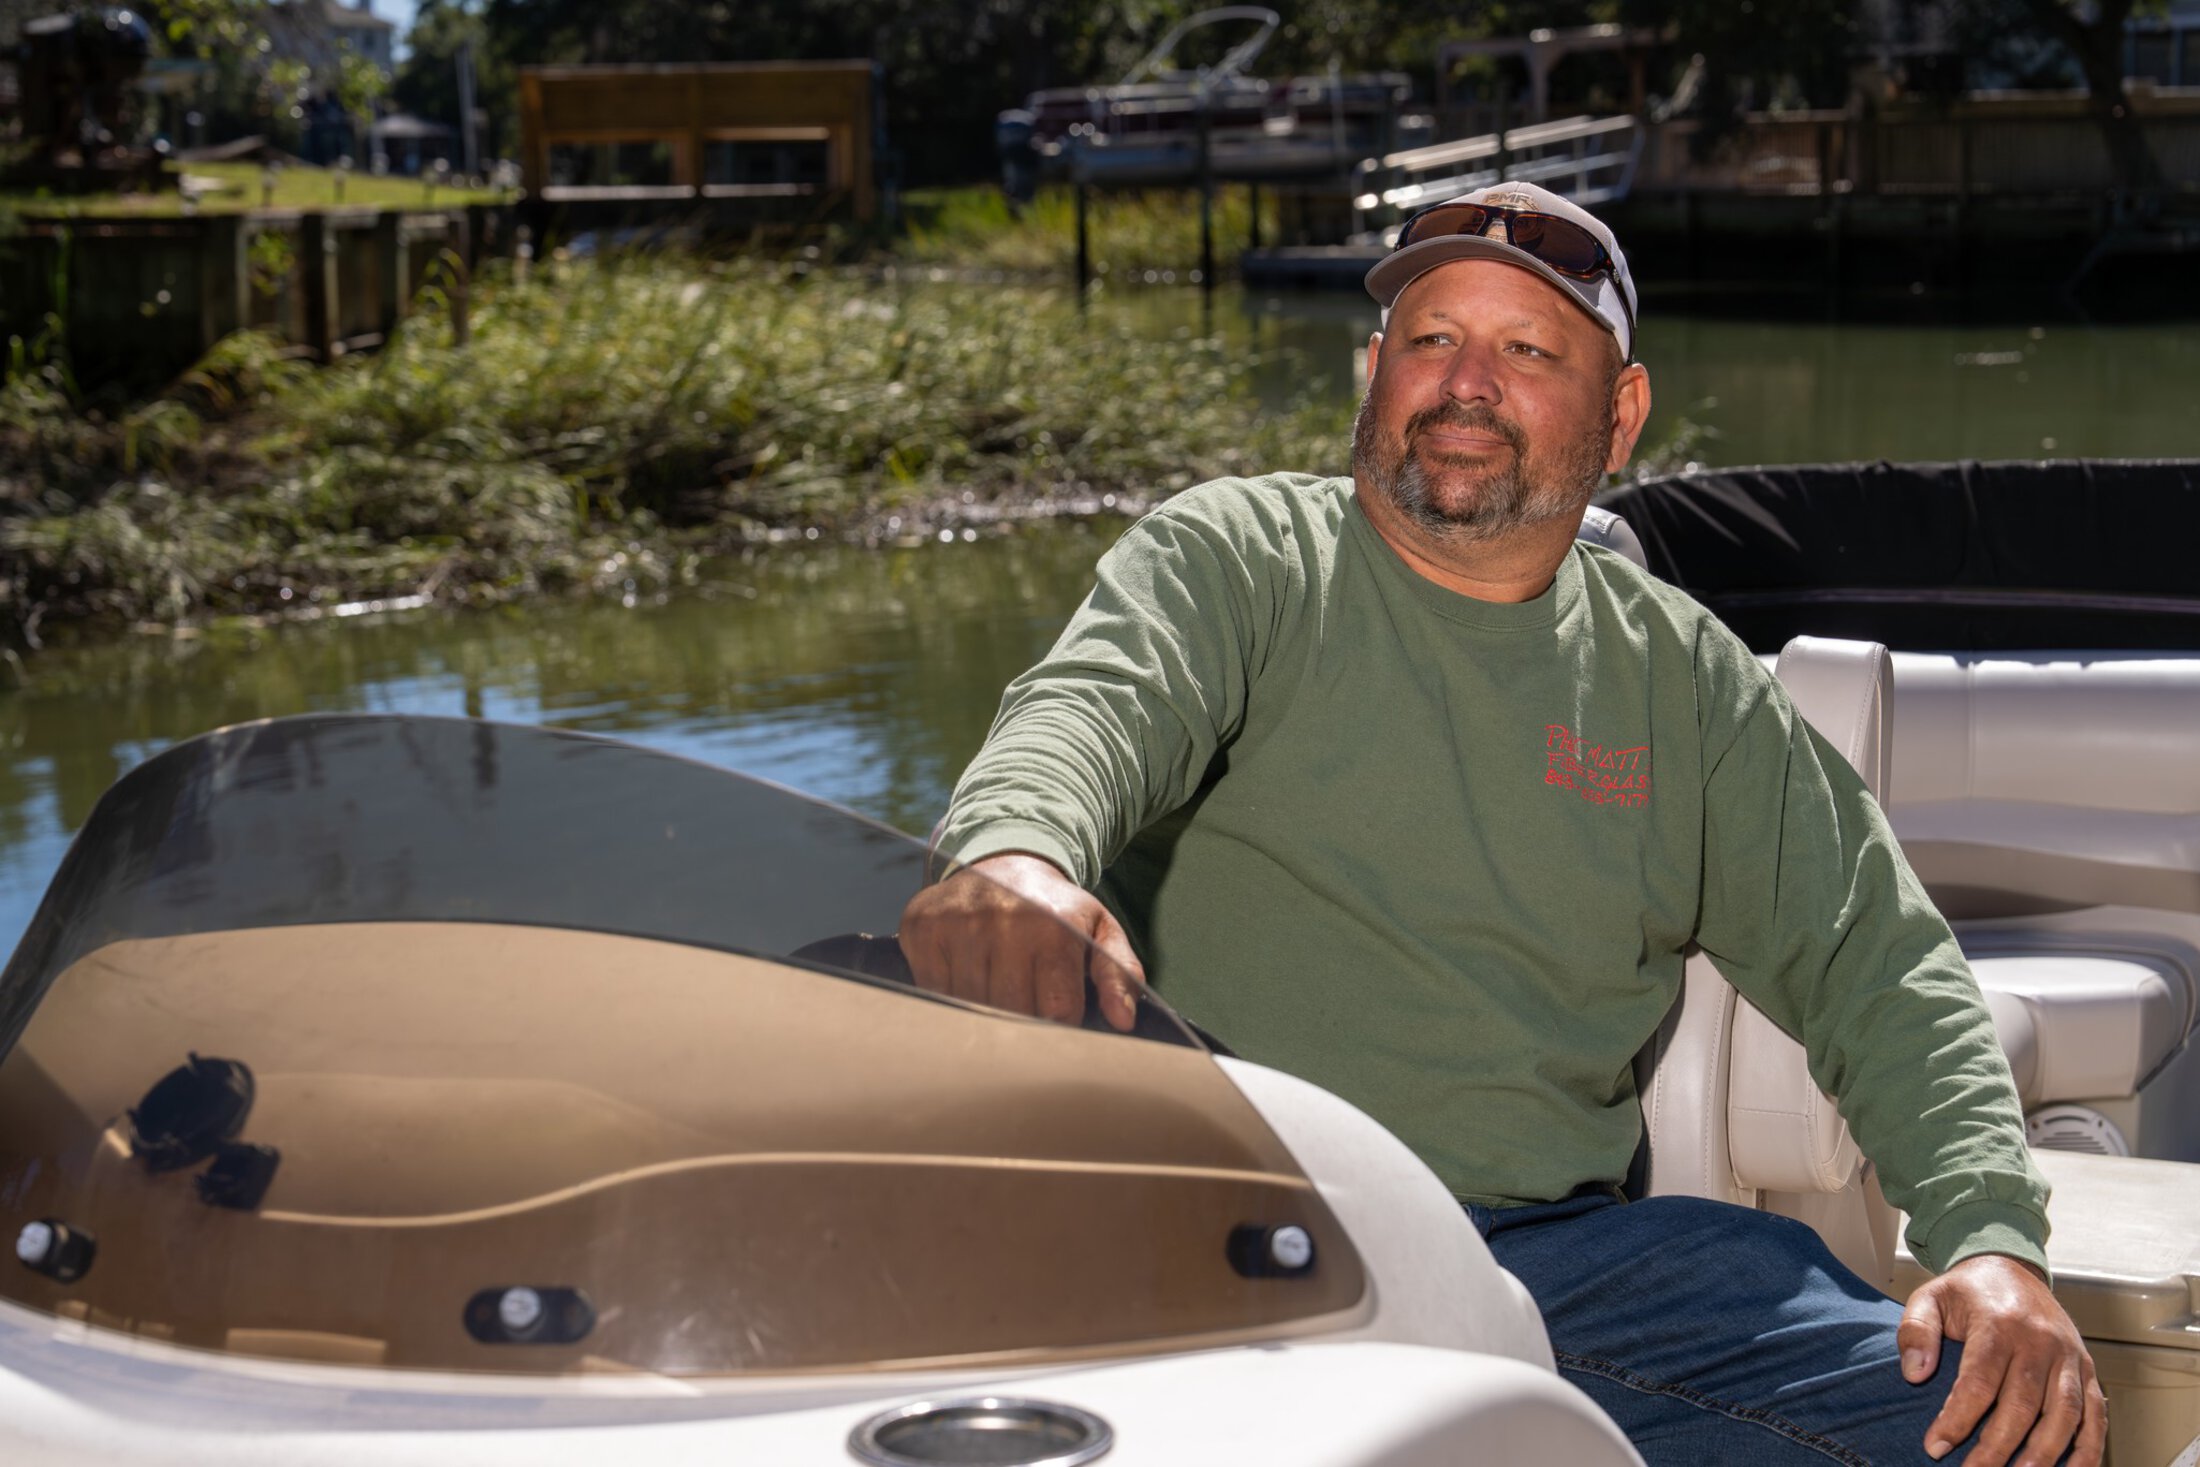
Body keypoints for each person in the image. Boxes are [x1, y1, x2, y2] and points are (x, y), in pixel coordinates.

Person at [898, 181, 2104, 1466]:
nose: (1465, 384)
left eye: (1528, 352)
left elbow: (1879, 963)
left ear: (1621, 414)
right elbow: (1084, 715)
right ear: (1372, 371)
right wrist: (1013, 857)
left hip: (1555, 1268)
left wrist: (1989, 1244)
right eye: (1431, 342)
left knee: (2000, 1428)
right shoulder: (1239, 555)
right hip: (1223, 1233)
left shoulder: (1685, 680)